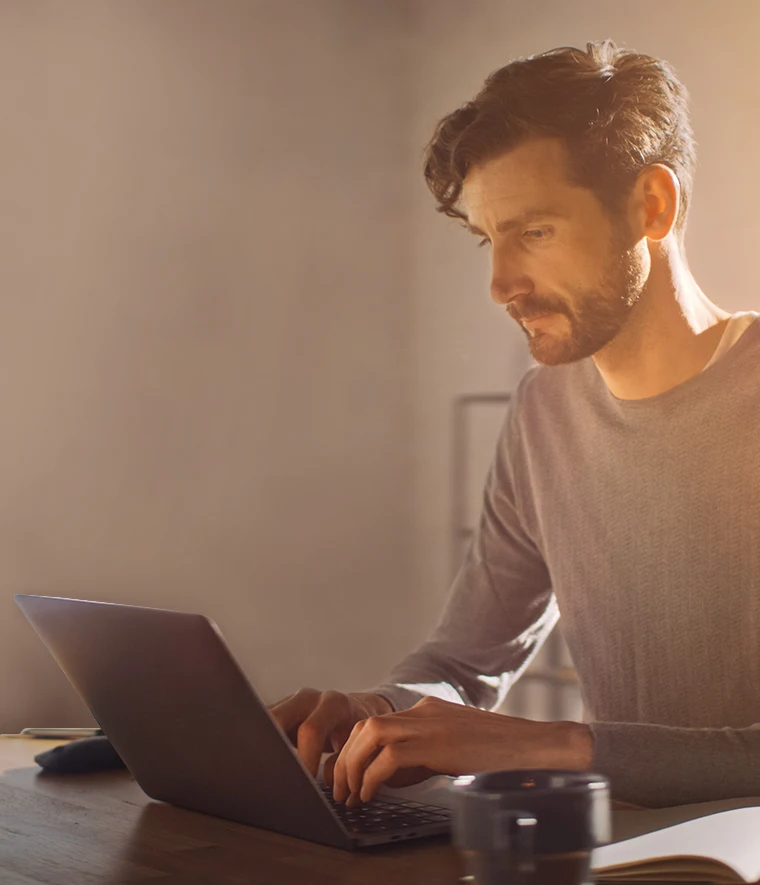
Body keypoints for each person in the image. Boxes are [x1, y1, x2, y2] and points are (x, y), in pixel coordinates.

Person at [270, 39, 760, 810]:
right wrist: (380, 715)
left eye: (534, 232)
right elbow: (463, 660)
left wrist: (548, 745)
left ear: (652, 207)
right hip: (626, 857)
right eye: (487, 240)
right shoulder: (544, 411)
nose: (500, 285)